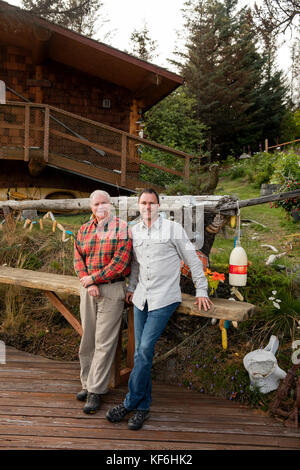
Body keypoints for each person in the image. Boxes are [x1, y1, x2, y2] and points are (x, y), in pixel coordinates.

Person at [106, 188, 213, 430]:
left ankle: (130, 402)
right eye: (143, 203)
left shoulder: (173, 229)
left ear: (159, 205)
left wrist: (201, 290)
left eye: (151, 203)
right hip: (142, 298)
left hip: (165, 298)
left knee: (144, 350)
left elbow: (193, 260)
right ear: (138, 206)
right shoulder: (134, 231)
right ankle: (143, 408)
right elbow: (135, 264)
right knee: (139, 355)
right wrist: (132, 287)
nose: (147, 207)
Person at [74, 190, 132, 414]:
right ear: (91, 207)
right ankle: (86, 383)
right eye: (96, 203)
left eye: (104, 203)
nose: (101, 207)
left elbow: (120, 263)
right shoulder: (84, 229)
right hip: (88, 289)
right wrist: (88, 283)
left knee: (104, 341)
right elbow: (78, 258)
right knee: (87, 338)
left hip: (112, 288)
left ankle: (96, 391)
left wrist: (94, 279)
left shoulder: (122, 229)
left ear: (111, 204)